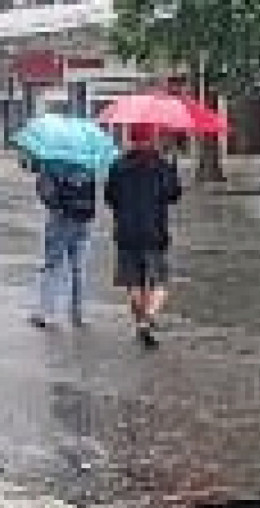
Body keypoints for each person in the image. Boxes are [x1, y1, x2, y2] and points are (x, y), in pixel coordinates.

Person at [103, 125, 182, 349]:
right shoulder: (160, 166)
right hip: (154, 233)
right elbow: (173, 195)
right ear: (151, 140)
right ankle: (147, 319)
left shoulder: (118, 166)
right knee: (160, 283)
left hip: (127, 234)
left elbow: (110, 198)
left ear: (131, 140)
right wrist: (172, 169)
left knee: (133, 282)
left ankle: (140, 323)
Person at [32, 160, 97, 329]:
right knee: (78, 269)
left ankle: (46, 313)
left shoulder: (52, 162)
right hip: (84, 220)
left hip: (61, 219)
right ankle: (77, 314)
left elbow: (45, 192)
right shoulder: (87, 162)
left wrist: (55, 205)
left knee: (53, 265)